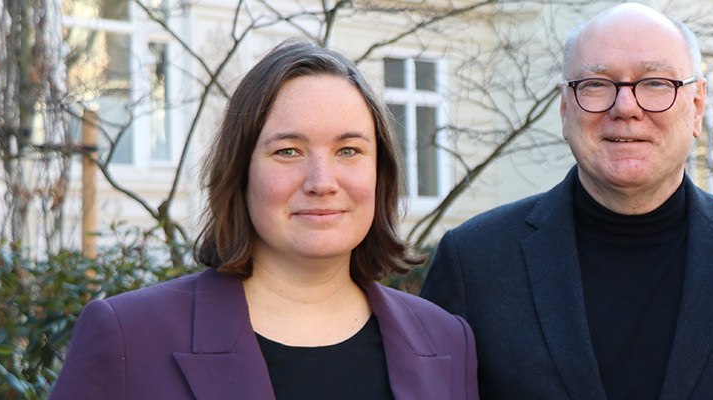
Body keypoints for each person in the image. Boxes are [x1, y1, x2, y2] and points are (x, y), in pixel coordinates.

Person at [419, 3, 713, 399]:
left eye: (656, 84)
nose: (625, 107)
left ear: (698, 106)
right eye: (596, 85)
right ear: (565, 108)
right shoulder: (474, 262)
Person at [50, 39, 478, 399]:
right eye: (288, 151)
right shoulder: (129, 337)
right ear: (240, 171)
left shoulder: (447, 342)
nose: (321, 182)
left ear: (380, 172)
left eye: (349, 150)